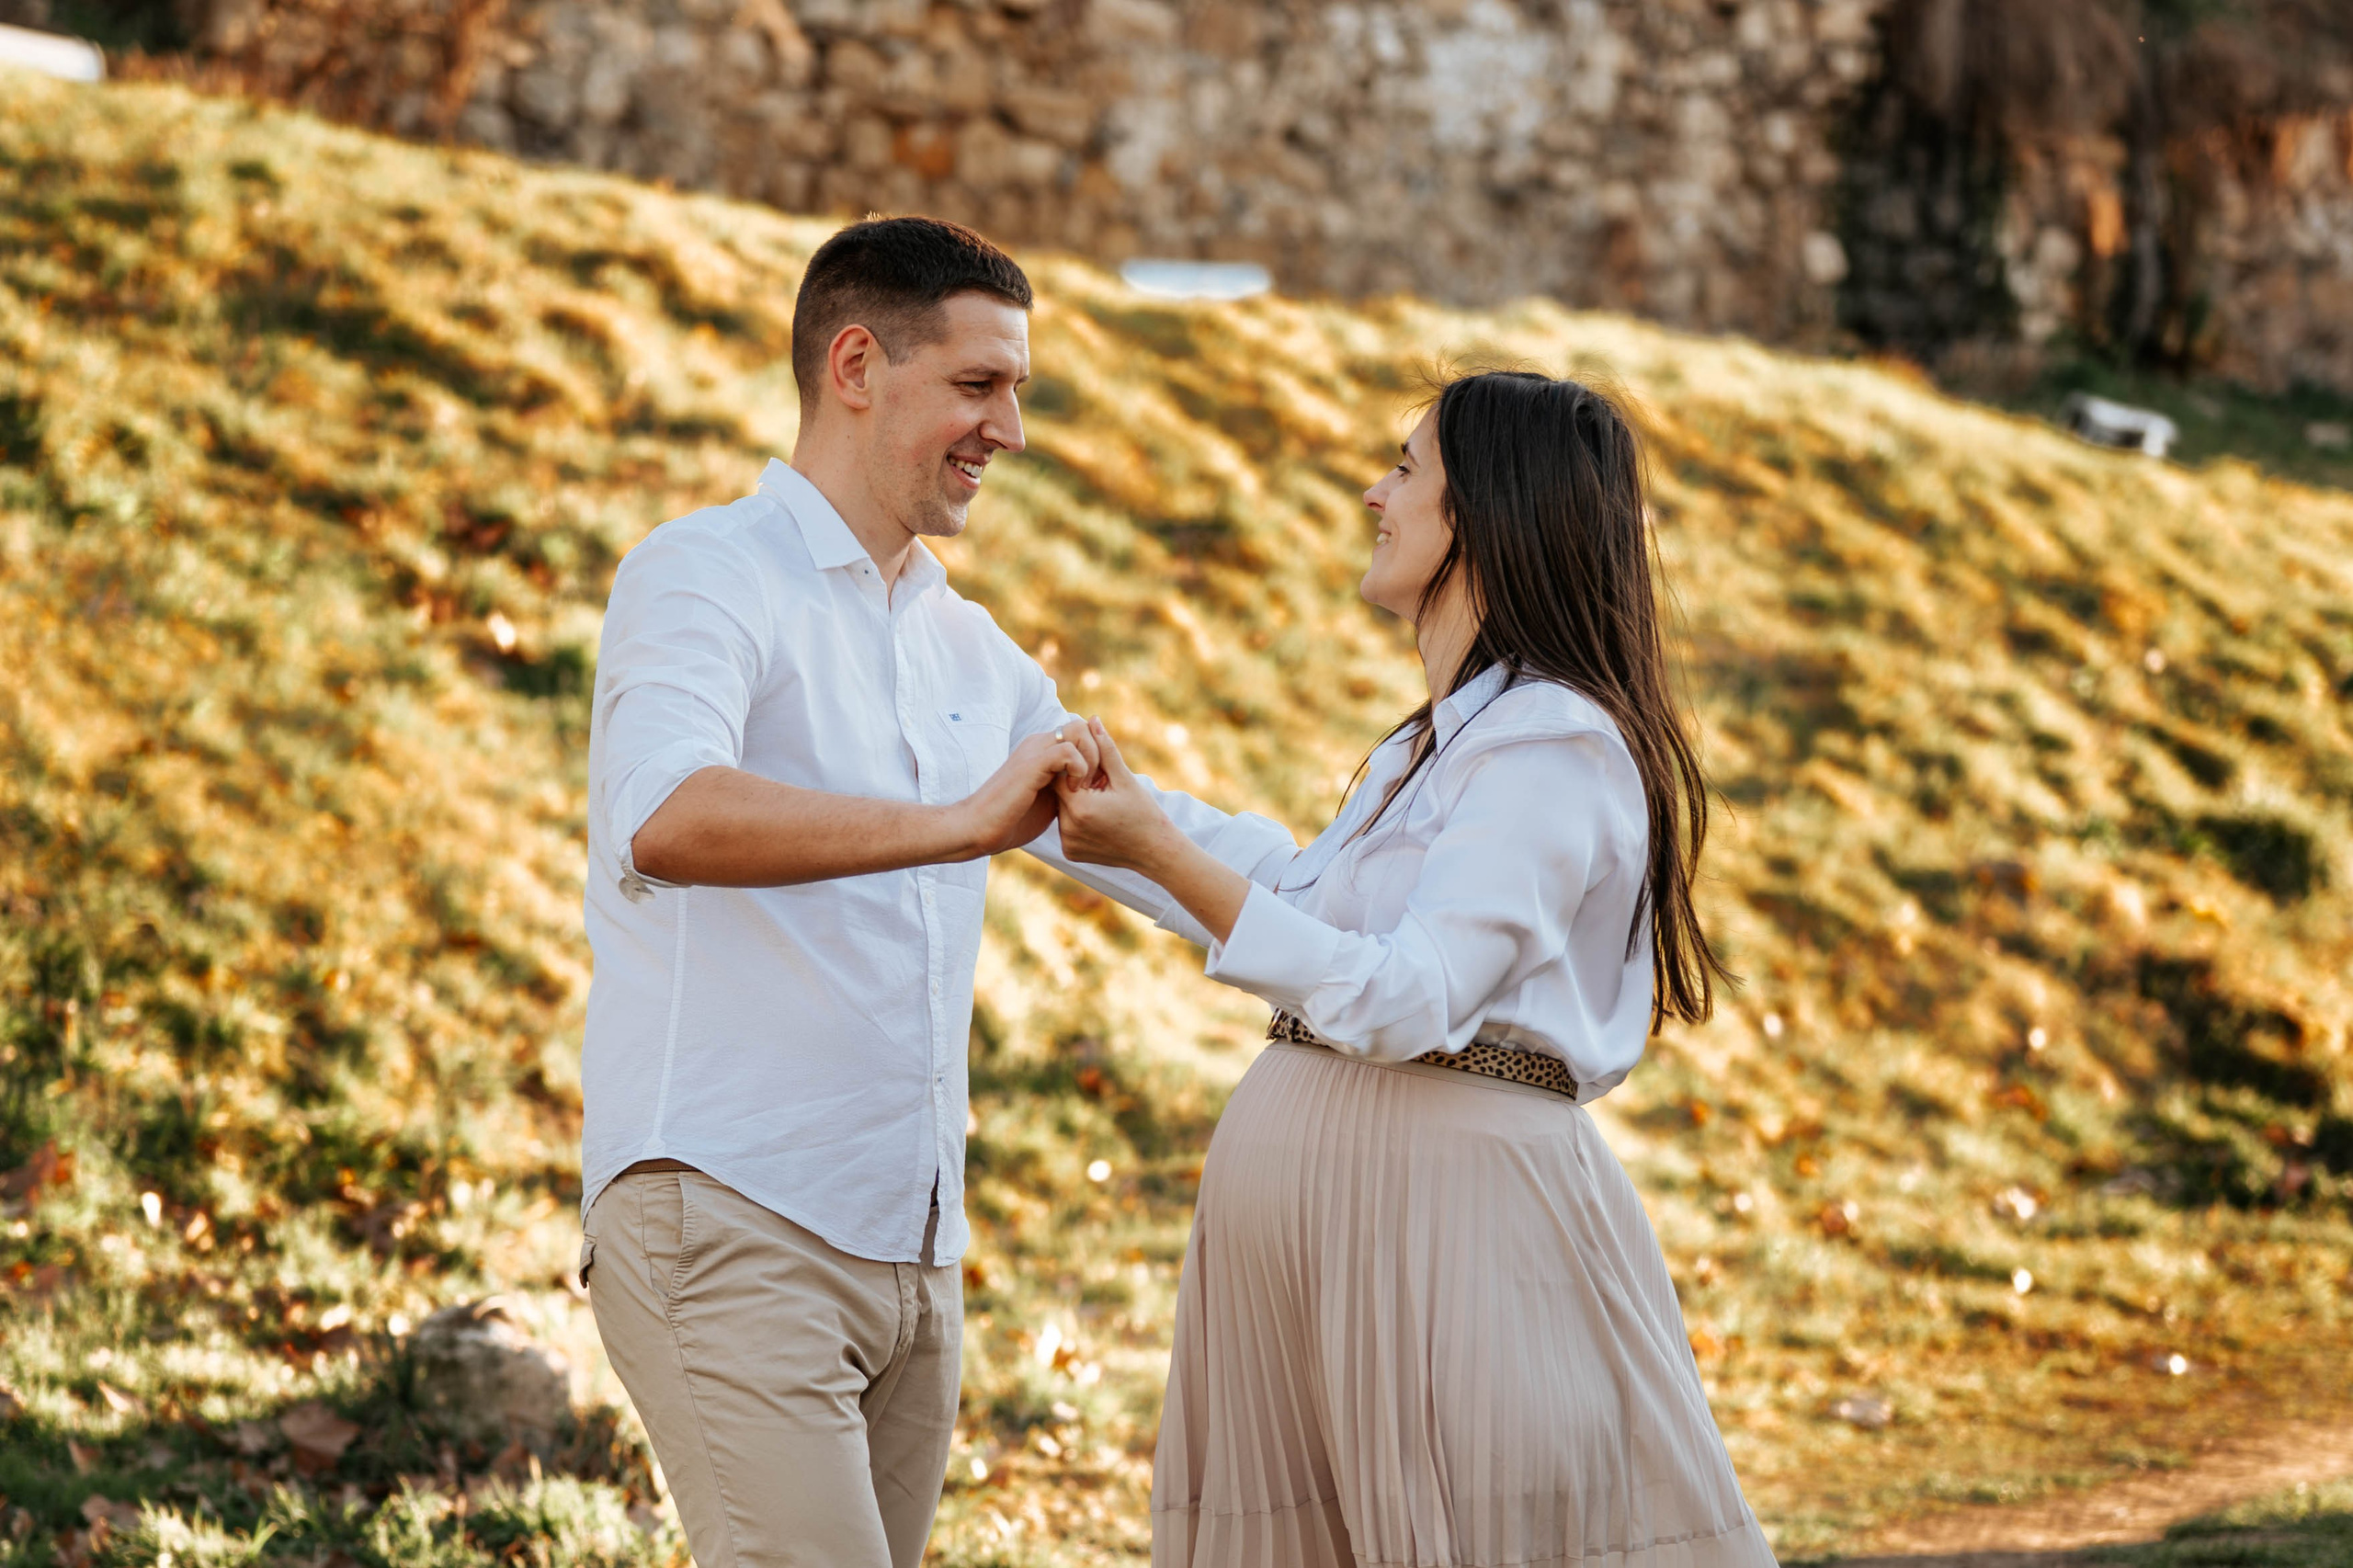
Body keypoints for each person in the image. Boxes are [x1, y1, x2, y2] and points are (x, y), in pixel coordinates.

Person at [575, 216, 1297, 1568]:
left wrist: (1368, 893)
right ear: (857, 364)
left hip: (914, 1258)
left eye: (1015, 390)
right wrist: (955, 822)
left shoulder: (966, 647)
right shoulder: (704, 572)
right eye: (979, 385)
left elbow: (1157, 834)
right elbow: (665, 814)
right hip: (728, 1211)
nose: (1010, 429)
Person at [1052, 369, 1780, 1567]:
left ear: (1481, 514)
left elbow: (1408, 995)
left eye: (1405, 468)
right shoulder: (1434, 745)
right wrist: (1077, 809)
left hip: (1448, 1234)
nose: (1372, 491)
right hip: (1319, 1242)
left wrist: (1166, 856)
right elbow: (1296, 897)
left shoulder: (1556, 746)